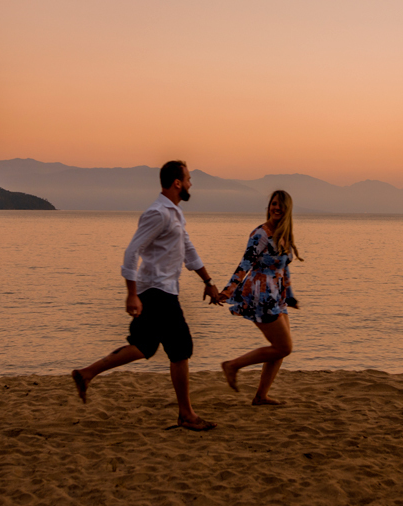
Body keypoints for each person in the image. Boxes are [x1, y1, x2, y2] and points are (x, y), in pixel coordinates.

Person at [72, 160, 221, 431]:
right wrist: (132, 294)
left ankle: (86, 373)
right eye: (188, 179)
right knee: (180, 349)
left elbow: (189, 251)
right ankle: (186, 414)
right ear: (177, 183)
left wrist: (208, 281)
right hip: (157, 291)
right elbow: (132, 251)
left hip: (160, 290)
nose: (190, 183)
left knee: (143, 346)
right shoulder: (158, 213)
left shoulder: (174, 213)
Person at [216, 190, 302, 405]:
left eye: (280, 205)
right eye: (273, 204)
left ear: (287, 209)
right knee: (284, 347)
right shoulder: (260, 234)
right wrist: (228, 290)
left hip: (277, 296)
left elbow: (284, 268)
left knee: (280, 349)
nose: (276, 208)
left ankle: (261, 395)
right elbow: (245, 263)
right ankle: (232, 365)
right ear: (269, 207)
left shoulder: (284, 234)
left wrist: (289, 296)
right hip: (260, 294)